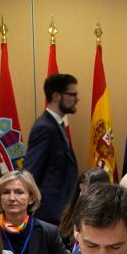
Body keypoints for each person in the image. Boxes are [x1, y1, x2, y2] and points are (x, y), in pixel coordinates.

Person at [24, 73, 80, 224]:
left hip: (59, 212)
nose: (77, 99)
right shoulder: (44, 128)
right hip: (48, 214)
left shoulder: (56, 125)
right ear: (56, 96)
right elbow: (31, 173)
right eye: (72, 94)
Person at [0, 170, 67, 254]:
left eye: (19, 192)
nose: (12, 198)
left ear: (31, 198)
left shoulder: (48, 232)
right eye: (6, 192)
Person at [58, 168, 111, 249]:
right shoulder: (72, 209)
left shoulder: (110, 216)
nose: (81, 195)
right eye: (81, 190)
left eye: (86, 190)